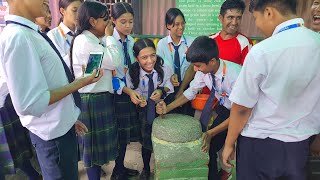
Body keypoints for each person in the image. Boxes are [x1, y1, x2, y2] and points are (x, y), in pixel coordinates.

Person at [0, 0, 101, 179]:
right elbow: (31, 103)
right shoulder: (18, 37)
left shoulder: (30, 33)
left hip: (58, 128)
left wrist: (67, 115)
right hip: (52, 137)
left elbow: (51, 83)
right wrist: (81, 82)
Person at [222, 1, 320, 180]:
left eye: (256, 18)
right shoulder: (317, 42)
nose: (258, 26)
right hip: (300, 147)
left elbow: (242, 107)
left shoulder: (263, 51)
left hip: (260, 146)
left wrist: (229, 144)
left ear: (268, 12)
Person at [156, 36, 241, 180]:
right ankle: (216, 175)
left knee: (234, 149)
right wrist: (167, 108)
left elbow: (238, 115)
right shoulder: (204, 72)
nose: (195, 69)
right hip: (226, 108)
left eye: (198, 65)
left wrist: (211, 132)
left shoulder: (236, 76)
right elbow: (190, 93)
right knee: (211, 146)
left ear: (212, 62)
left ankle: (230, 172)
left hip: (245, 115)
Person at [71, 1, 120, 180]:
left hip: (97, 96)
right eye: (105, 19)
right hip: (92, 99)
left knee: (96, 150)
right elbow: (114, 61)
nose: (108, 23)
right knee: (92, 150)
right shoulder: (86, 42)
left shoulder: (91, 40)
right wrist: (109, 37)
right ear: (92, 21)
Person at [177, 0, 252, 99]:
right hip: (205, 98)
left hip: (228, 100)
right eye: (230, 17)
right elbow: (193, 67)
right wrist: (181, 89)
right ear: (221, 18)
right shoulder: (210, 40)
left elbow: (246, 75)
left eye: (238, 18)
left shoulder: (245, 43)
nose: (234, 22)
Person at [125, 38, 173, 180]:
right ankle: (146, 168)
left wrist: (161, 91)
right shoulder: (132, 72)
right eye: (144, 57)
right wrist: (139, 100)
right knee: (146, 140)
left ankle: (164, 167)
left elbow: (169, 86)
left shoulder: (164, 68)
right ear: (136, 58)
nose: (150, 61)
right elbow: (133, 91)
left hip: (162, 108)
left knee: (163, 138)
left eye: (153, 55)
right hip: (144, 111)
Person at [110, 2, 140, 180]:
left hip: (129, 92)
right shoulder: (109, 42)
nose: (128, 26)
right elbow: (109, 76)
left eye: (131, 21)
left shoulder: (131, 41)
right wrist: (126, 90)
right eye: (123, 22)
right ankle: (117, 171)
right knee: (117, 135)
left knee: (125, 135)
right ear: (113, 20)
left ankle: (120, 167)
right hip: (116, 94)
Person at [156, 8, 195, 116]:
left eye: (183, 23)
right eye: (176, 24)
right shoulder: (162, 44)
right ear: (168, 25)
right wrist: (170, 76)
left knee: (186, 119)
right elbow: (160, 67)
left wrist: (182, 89)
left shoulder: (191, 42)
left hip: (187, 87)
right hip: (169, 88)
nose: (181, 27)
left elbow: (194, 67)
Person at [0, 80, 41, 179]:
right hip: (6, 104)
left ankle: (34, 176)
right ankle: (34, 176)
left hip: (6, 106)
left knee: (17, 150)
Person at [47, 0, 83, 69]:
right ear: (62, 11)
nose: (79, 14)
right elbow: (59, 63)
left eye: (81, 11)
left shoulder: (83, 33)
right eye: (74, 10)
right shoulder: (53, 35)